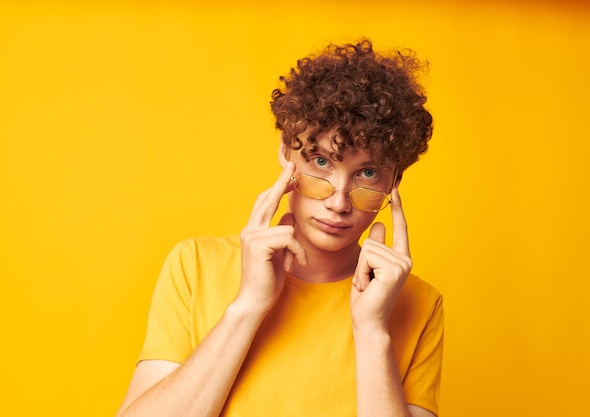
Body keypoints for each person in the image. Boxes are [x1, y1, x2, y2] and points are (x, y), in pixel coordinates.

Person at [116, 39, 443, 417]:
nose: (339, 202)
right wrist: (249, 305)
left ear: (394, 181)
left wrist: (372, 331)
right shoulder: (195, 265)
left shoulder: (418, 304)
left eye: (367, 173)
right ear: (286, 152)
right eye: (320, 161)